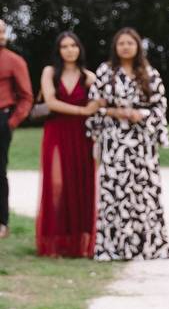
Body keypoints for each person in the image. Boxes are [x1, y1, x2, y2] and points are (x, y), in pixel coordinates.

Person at [86, 27, 169, 261]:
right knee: (115, 191)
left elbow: (159, 108)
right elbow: (94, 107)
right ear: (115, 46)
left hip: (142, 142)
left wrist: (139, 115)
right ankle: (114, 247)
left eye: (130, 43)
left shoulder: (149, 73)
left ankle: (148, 246)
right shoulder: (105, 71)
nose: (125, 47)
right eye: (121, 43)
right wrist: (115, 111)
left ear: (137, 47)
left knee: (143, 191)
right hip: (115, 140)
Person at [36, 31, 99, 257]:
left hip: (82, 135)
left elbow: (100, 101)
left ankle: (80, 242)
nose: (70, 50)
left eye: (73, 45)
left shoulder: (88, 76)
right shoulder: (50, 72)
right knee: (57, 184)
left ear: (79, 48)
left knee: (81, 183)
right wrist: (83, 110)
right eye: (64, 46)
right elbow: (51, 102)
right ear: (58, 50)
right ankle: (56, 241)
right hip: (57, 132)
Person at [0, 18, 33, 240]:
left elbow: (26, 96)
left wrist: (11, 122)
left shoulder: (14, 61)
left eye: (1, 31)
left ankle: (2, 222)